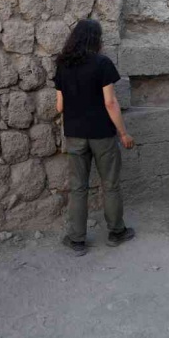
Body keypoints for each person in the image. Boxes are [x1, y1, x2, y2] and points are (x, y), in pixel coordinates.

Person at [54, 19, 135, 256]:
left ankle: (77, 240)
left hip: (75, 135)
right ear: (96, 39)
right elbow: (110, 102)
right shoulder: (102, 63)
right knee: (110, 184)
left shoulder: (62, 64)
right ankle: (116, 232)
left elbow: (60, 106)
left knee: (78, 187)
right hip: (102, 134)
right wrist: (123, 133)